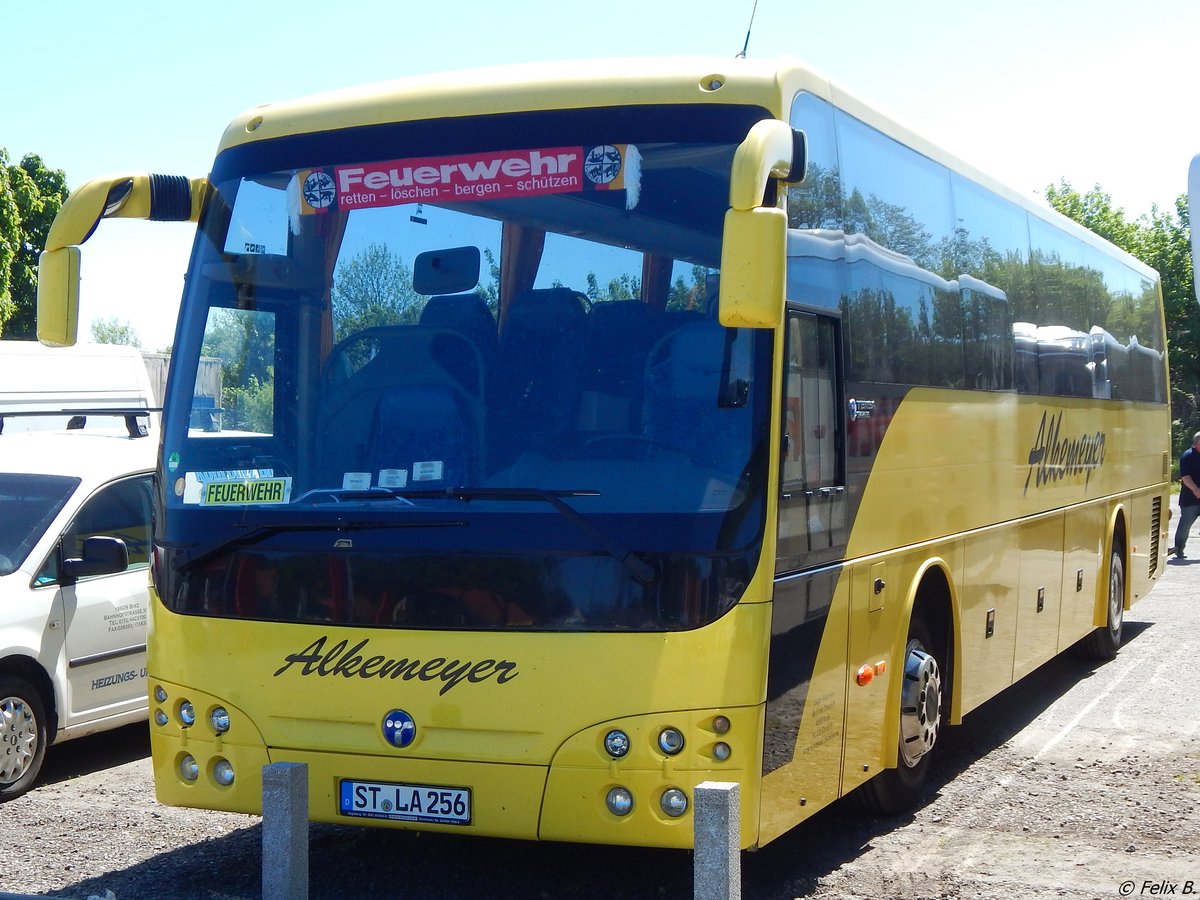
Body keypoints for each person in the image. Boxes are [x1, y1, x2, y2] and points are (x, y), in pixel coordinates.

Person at [1172, 431, 1200, 559]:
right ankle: (1179, 549)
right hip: (1190, 499)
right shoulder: (1188, 456)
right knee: (1185, 526)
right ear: (1198, 443)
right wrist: (1195, 489)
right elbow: (1185, 476)